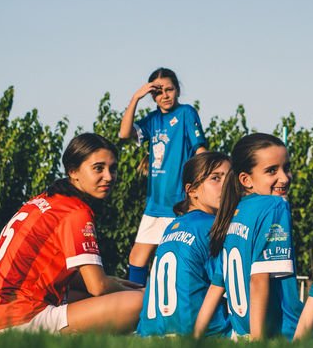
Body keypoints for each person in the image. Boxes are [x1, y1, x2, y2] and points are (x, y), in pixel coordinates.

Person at [0, 133, 144, 333]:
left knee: (93, 291)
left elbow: (69, 277)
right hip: (20, 317)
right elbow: (98, 286)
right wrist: (143, 291)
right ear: (73, 171)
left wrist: (117, 282)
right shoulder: (75, 211)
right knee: (142, 302)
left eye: (112, 168)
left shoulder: (44, 202)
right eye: (98, 168)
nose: (108, 177)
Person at [194, 133, 300, 340]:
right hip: (280, 333)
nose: (285, 178)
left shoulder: (235, 214)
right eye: (271, 171)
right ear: (246, 180)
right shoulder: (274, 205)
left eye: (286, 168)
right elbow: (259, 279)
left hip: (240, 334)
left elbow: (217, 286)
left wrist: (194, 338)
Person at [118, 67, 208, 285]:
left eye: (170, 89)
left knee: (178, 257)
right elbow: (124, 133)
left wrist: (203, 188)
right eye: (158, 92)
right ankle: (137, 308)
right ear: (152, 95)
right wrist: (135, 98)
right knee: (137, 259)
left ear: (177, 90)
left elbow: (200, 151)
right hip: (155, 203)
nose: (165, 95)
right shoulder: (153, 120)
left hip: (178, 203)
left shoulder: (186, 113)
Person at [136, 151, 231, 337]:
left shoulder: (172, 227)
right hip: (205, 333)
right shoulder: (211, 227)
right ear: (192, 190)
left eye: (229, 179)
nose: (226, 186)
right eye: (216, 178)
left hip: (151, 333)